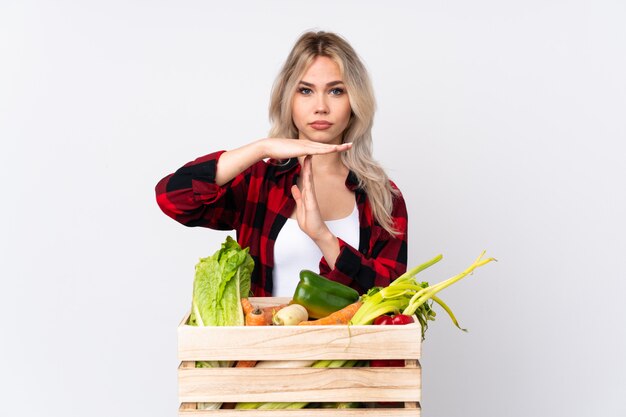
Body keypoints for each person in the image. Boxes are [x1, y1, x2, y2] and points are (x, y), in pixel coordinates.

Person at [155, 31, 408, 297]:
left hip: (349, 340)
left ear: (354, 101)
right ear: (288, 99)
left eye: (336, 91)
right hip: (265, 338)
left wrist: (324, 237)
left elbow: (391, 299)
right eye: (306, 90)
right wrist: (260, 148)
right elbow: (173, 197)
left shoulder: (382, 196)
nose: (320, 106)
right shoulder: (259, 182)